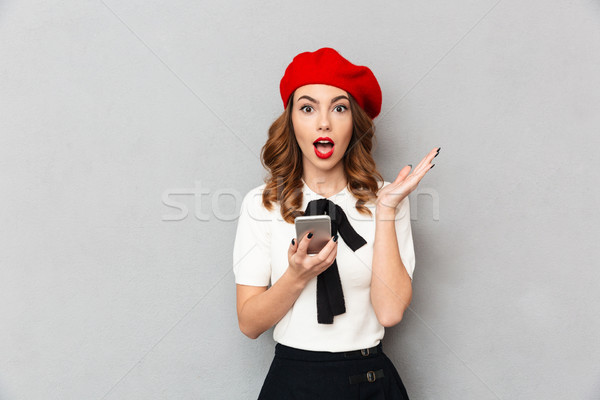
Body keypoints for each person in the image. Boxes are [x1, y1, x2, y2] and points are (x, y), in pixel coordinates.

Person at [233, 47, 439, 400]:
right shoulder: (261, 204)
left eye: (339, 108)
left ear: (354, 123)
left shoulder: (389, 198)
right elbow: (249, 324)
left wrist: (387, 209)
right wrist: (296, 276)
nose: (323, 122)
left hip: (370, 381)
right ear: (292, 121)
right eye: (308, 108)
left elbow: (389, 313)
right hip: (293, 382)